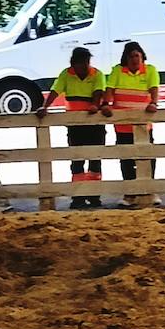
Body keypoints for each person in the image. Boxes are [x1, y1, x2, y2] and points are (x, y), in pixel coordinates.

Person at [35, 46, 108, 209]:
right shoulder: (66, 75)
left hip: (94, 124)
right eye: (82, 63)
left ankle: (94, 195)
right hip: (74, 125)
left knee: (95, 160)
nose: (86, 66)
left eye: (87, 62)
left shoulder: (97, 74)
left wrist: (95, 105)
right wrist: (44, 107)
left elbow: (99, 92)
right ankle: (78, 196)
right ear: (74, 64)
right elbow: (55, 91)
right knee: (76, 160)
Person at [105, 41, 160, 208]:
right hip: (122, 124)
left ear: (142, 56)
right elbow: (110, 89)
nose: (135, 59)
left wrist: (154, 103)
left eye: (137, 56)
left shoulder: (150, 70)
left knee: (148, 157)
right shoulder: (117, 70)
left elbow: (154, 89)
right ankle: (130, 193)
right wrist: (107, 103)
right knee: (126, 158)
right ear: (126, 58)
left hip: (144, 124)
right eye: (131, 56)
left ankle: (150, 190)